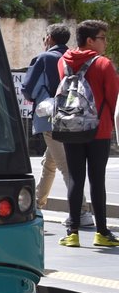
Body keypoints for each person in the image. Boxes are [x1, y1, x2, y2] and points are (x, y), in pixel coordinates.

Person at [21, 24, 93, 227]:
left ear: (50, 38)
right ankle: (36, 206)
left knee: (65, 166)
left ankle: (81, 212)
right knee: (50, 163)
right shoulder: (75, 57)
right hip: (76, 117)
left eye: (45, 38)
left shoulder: (44, 58)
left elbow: (27, 89)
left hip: (52, 119)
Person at [58, 20, 119, 248]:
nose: (105, 42)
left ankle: (72, 232)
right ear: (90, 40)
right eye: (102, 38)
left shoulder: (63, 61)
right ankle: (101, 232)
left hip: (70, 126)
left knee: (75, 178)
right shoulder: (103, 64)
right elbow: (114, 99)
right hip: (98, 129)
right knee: (97, 179)